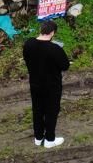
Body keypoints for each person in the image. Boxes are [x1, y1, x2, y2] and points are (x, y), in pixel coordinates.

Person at [22, 19, 70, 148]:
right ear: (52, 32)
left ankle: (38, 138)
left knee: (37, 110)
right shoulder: (55, 49)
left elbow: (27, 59)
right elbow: (65, 66)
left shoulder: (28, 44)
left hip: (35, 84)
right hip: (51, 85)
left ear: (41, 30)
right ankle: (49, 139)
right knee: (51, 111)